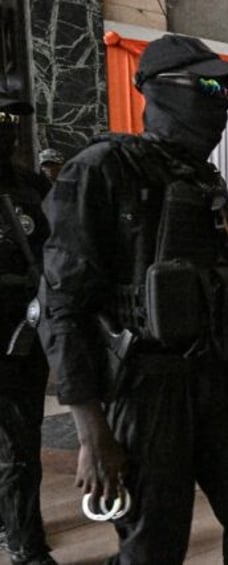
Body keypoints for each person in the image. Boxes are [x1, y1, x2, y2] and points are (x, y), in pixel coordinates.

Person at [38, 35, 228, 564]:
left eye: (226, 90)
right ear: (159, 90)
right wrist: (91, 431)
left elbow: (207, 286)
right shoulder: (101, 169)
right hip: (149, 390)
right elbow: (61, 307)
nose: (221, 101)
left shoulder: (205, 180)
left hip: (224, 381)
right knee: (153, 547)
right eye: (209, 86)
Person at [0, 91, 55, 565]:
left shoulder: (31, 185)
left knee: (23, 443)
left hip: (25, 337)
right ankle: (23, 542)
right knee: (13, 449)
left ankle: (21, 534)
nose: (9, 129)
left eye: (10, 120)